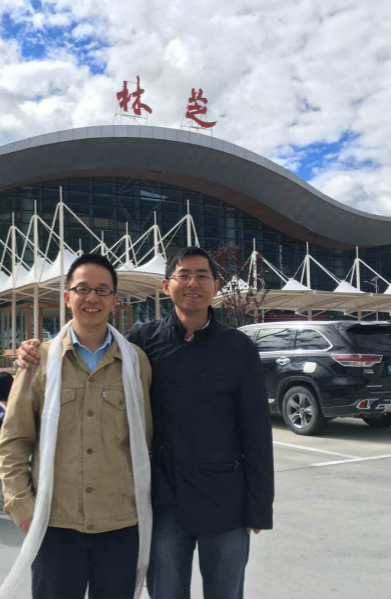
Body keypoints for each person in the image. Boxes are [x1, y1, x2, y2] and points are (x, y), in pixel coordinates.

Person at [17, 246, 274, 599]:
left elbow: (256, 432)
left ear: (217, 286)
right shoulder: (142, 343)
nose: (193, 283)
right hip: (164, 501)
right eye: (183, 275)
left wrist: (258, 507)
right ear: (166, 286)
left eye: (202, 276)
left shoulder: (238, 347)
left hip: (225, 500)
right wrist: (31, 351)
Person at [0, 253, 153, 599]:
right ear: (67, 297)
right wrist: (24, 511)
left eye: (102, 290)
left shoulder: (135, 362)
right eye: (82, 289)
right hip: (55, 525)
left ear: (114, 299)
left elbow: (146, 440)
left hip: (120, 526)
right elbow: (13, 443)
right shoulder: (39, 361)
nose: (92, 298)